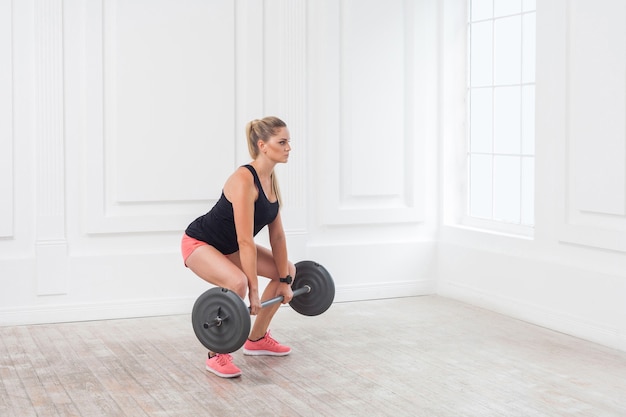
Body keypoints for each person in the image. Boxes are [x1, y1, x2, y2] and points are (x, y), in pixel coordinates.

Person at [181, 116, 296, 378]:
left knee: (285, 268)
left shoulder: (271, 182)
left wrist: (286, 279)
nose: (289, 147)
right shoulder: (244, 179)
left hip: (230, 247)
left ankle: (256, 339)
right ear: (263, 145)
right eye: (282, 142)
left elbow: (277, 238)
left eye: (289, 141)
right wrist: (253, 292)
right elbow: (246, 240)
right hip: (200, 243)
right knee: (238, 283)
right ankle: (216, 353)